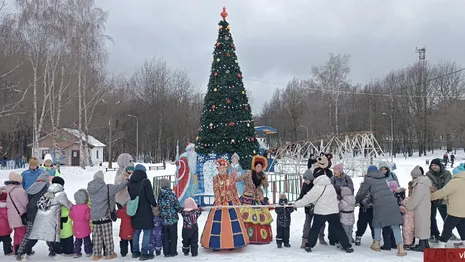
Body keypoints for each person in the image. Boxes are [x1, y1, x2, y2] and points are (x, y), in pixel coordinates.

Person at [294, 166, 354, 253]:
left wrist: (295, 204)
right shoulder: (330, 186)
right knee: (338, 229)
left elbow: (307, 199)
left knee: (315, 229)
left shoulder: (317, 187)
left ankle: (309, 245)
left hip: (320, 212)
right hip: (333, 212)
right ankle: (347, 246)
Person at [355, 166, 406, 256]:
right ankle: (401, 249)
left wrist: (355, 201)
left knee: (377, 223)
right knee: (395, 225)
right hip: (391, 201)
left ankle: (376, 244)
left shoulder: (368, 180)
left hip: (379, 204)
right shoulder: (383, 179)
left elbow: (361, 193)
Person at [200, 158, 249, 250]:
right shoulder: (215, 178)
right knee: (217, 224)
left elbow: (234, 189)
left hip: (230, 202)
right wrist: (218, 202)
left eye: (224, 168)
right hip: (220, 203)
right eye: (220, 168)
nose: (222, 170)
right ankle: (216, 244)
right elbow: (216, 191)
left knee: (233, 224)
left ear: (226, 168)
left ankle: (232, 243)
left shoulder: (231, 177)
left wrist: (237, 201)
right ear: (218, 169)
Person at [87, 170, 128, 261]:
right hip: (105, 216)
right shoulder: (108, 188)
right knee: (107, 236)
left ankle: (96, 255)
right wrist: (127, 180)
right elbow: (119, 187)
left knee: (96, 236)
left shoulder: (90, 188)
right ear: (102, 179)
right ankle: (109, 254)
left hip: (94, 216)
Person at [28, 176, 73, 258]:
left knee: (36, 235)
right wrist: (76, 207)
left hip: (40, 214)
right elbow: (68, 204)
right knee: (53, 235)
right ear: (62, 184)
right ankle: (57, 252)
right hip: (51, 216)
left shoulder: (47, 191)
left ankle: (24, 252)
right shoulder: (61, 193)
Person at [236, 155, 273, 244]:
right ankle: (245, 234)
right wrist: (233, 179)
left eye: (260, 166)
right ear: (254, 166)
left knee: (260, 214)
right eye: (257, 166)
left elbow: (266, 185)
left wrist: (264, 179)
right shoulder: (249, 173)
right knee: (245, 213)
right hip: (248, 195)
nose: (258, 168)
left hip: (258, 196)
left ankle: (260, 236)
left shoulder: (263, 175)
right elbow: (241, 178)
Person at [15, 172, 49, 261]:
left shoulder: (32, 186)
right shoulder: (45, 187)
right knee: (40, 234)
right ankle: (24, 252)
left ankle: (21, 251)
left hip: (30, 212)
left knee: (28, 233)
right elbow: (45, 200)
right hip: (38, 214)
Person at [430, 163, 465, 248]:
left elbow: (443, 192)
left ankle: (442, 244)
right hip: (463, 211)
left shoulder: (455, 182)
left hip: (454, 211)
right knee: (462, 228)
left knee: (447, 228)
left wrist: (430, 197)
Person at [127, 166, 157, 261]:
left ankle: (135, 252)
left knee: (136, 231)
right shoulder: (145, 182)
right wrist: (154, 204)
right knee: (147, 232)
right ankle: (144, 253)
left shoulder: (130, 182)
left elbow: (130, 194)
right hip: (145, 210)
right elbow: (150, 196)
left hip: (135, 210)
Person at [426, 158, 456, 242]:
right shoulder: (428, 174)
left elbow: (448, 185)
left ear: (439, 165)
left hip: (444, 198)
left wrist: (442, 194)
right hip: (433, 198)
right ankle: (434, 234)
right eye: (432, 165)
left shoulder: (447, 173)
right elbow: (431, 185)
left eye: (435, 165)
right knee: (431, 217)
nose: (433, 167)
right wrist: (436, 194)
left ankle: (448, 233)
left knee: (447, 218)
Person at [298, 169, 327, 248]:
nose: (305, 181)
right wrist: (297, 203)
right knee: (307, 224)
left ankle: (321, 237)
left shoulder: (316, 185)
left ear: (311, 179)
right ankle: (304, 240)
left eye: (306, 179)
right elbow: (302, 195)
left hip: (317, 208)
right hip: (308, 209)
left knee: (321, 224)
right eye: (304, 179)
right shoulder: (304, 185)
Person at [4, 172, 28, 255]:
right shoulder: (19, 190)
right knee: (22, 234)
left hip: (13, 217)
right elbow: (26, 203)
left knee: (17, 234)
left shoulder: (9, 189)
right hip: (19, 216)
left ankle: (16, 250)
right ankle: (21, 252)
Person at [158, 179, 182, 257]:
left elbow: (159, 205)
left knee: (165, 236)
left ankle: (166, 252)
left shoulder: (160, 194)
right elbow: (176, 205)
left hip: (164, 219)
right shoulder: (171, 194)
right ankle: (173, 251)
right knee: (173, 236)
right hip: (173, 219)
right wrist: (181, 210)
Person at [70, 189, 92, 258]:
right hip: (85, 227)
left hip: (76, 227)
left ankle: (76, 252)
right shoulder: (86, 207)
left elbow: (71, 216)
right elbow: (88, 217)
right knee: (87, 240)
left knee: (77, 240)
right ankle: (88, 251)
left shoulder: (73, 208)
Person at [0, 190, 13, 256]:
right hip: (5, 229)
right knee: (7, 241)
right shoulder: (6, 209)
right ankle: (8, 251)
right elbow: (8, 217)